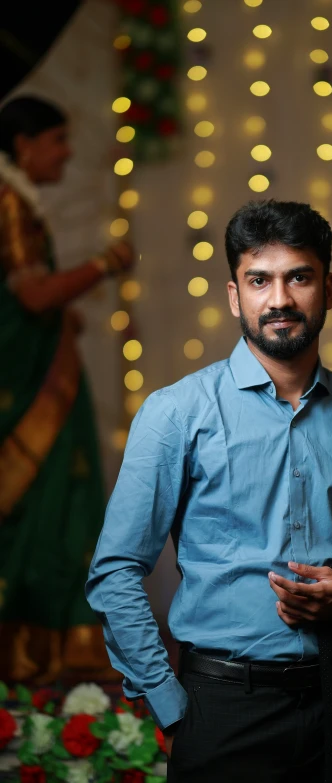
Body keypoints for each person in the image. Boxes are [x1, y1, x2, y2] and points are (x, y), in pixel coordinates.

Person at [86, 200, 332, 781]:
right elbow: (116, 569)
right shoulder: (177, 413)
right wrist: (170, 709)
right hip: (223, 707)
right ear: (234, 295)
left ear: (328, 288)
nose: (279, 299)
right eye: (259, 280)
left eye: (298, 277)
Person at [0, 95, 134, 683]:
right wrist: (104, 265)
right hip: (28, 391)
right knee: (42, 510)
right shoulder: (8, 200)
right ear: (24, 146)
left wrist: (62, 318)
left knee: (58, 504)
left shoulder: (17, 200)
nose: (67, 151)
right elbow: (30, 296)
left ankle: (47, 651)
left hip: (41, 371)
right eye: (57, 139)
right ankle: (35, 656)